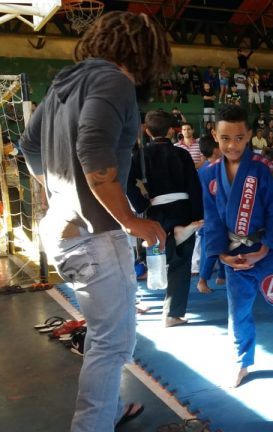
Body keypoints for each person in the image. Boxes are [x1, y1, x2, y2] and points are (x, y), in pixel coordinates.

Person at [19, 11, 170, 430]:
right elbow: (92, 147)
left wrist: (60, 191)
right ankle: (92, 425)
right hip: (95, 237)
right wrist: (128, 219)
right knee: (113, 341)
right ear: (145, 53)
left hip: (62, 231)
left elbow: (29, 145)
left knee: (111, 333)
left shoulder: (62, 85)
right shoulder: (114, 81)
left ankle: (111, 406)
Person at [199, 104, 273, 387]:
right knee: (237, 312)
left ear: (249, 134)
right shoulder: (208, 174)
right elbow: (211, 219)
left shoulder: (264, 169)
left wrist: (265, 248)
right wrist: (222, 256)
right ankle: (241, 362)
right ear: (215, 135)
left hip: (266, 253)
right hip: (234, 256)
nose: (232, 144)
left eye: (239, 137)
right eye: (225, 138)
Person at [127, 110, 203, 327]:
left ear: (147, 131)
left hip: (157, 210)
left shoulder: (140, 156)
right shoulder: (182, 155)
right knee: (181, 263)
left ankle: (170, 241)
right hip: (183, 208)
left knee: (159, 254)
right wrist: (197, 217)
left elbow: (126, 182)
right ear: (172, 130)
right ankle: (172, 314)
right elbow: (194, 187)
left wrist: (141, 204)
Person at [195, 135, 226, 294]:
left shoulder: (203, 170)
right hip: (212, 216)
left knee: (222, 245)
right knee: (212, 249)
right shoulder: (213, 170)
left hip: (209, 214)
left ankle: (221, 275)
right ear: (216, 149)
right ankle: (202, 280)